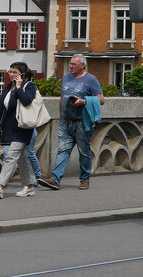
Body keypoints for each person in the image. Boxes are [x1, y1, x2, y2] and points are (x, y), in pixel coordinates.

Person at [38, 55, 104, 191]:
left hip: (82, 122)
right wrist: (61, 116)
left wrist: (84, 101)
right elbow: (62, 97)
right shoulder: (66, 77)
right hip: (66, 121)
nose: (71, 66)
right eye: (70, 63)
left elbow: (101, 99)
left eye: (74, 64)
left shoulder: (91, 79)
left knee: (84, 152)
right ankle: (55, 179)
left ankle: (85, 179)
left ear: (82, 66)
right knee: (63, 150)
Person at [0, 62, 39, 199]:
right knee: (22, 157)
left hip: (23, 127)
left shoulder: (29, 86)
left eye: (14, 72)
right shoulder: (8, 87)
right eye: (10, 71)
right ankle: (29, 186)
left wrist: (18, 88)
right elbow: (0, 105)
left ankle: (0, 186)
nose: (11, 74)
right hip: (12, 128)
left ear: (22, 74)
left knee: (11, 156)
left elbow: (27, 101)